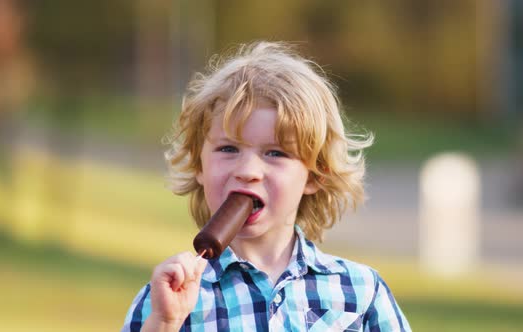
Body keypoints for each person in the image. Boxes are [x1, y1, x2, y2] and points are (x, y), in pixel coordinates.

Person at [122, 41, 411, 332]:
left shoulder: (359, 292)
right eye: (228, 149)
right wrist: (164, 323)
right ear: (199, 165)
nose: (248, 171)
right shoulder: (166, 299)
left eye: (275, 153)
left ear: (314, 176)